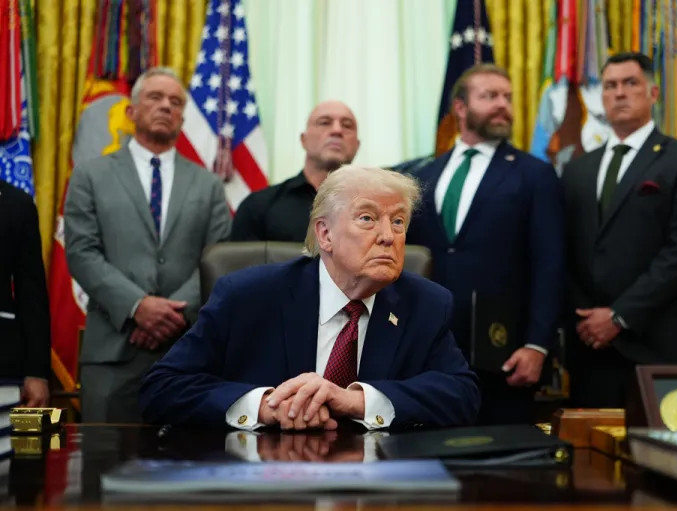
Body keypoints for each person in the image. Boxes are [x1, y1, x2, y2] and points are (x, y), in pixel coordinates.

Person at [139, 165, 480, 430]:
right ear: (325, 234)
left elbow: (462, 395)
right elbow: (162, 388)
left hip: (377, 486)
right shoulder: (247, 296)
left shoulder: (425, 303)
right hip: (266, 484)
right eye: (367, 219)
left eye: (398, 222)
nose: (388, 236)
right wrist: (266, 406)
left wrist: (355, 401)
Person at [64, 67, 232, 423]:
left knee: (184, 466)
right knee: (104, 466)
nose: (166, 107)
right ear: (131, 111)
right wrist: (137, 306)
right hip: (112, 349)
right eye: (155, 98)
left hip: (185, 351)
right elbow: (81, 252)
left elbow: (216, 258)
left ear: (183, 117)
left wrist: (172, 316)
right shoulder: (90, 176)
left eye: (175, 102)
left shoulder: (209, 185)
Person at [407, 63, 565, 425]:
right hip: (430, 353)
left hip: (503, 353)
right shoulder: (423, 176)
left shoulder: (534, 174)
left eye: (507, 97)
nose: (502, 105)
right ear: (460, 108)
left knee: (502, 470)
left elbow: (550, 264)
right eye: (489, 96)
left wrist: (538, 344)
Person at [562, 52, 677, 408]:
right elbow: (566, 250)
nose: (619, 93)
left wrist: (619, 316)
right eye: (610, 86)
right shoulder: (578, 170)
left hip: (659, 341)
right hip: (591, 347)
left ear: (654, 93)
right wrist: (587, 318)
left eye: (631, 83)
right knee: (593, 457)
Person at [231, 100, 360, 242]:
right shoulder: (258, 207)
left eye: (347, 125)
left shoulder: (378, 208)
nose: (337, 130)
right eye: (324, 122)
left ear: (357, 145)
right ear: (304, 140)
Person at [0, 180, 50, 406]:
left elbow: (32, 294)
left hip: (5, 367)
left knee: (21, 440)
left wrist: (37, 371)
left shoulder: (17, 203)